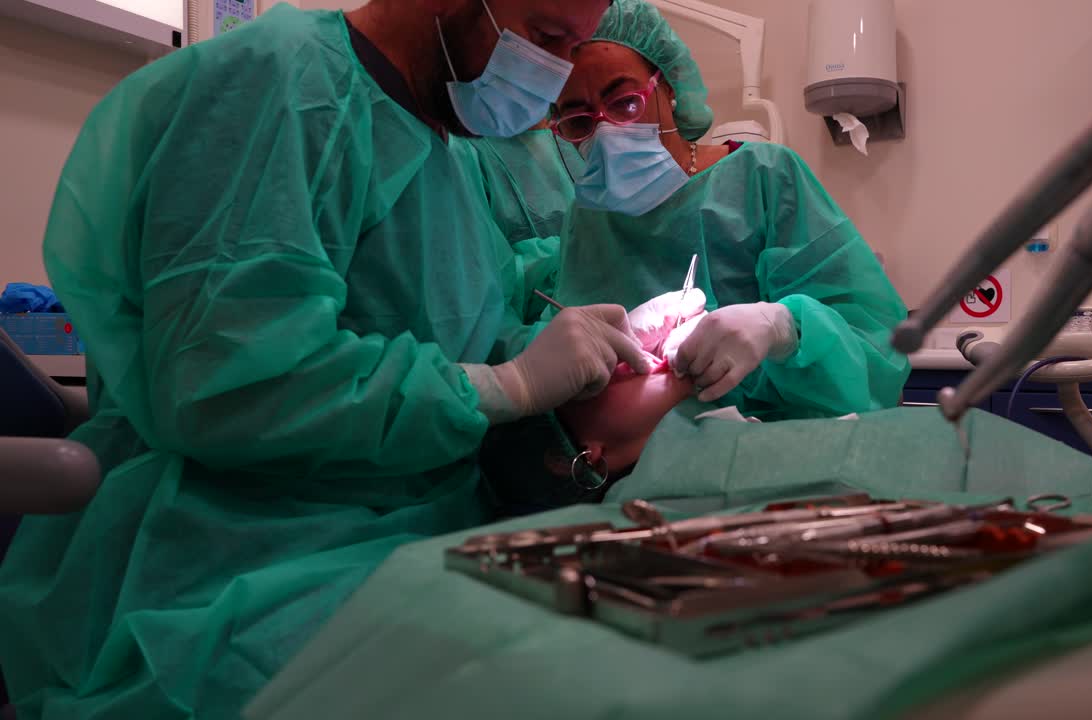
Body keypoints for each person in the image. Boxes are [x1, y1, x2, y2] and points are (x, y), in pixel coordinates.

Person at [0, 1, 645, 717]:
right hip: (233, 565)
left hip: (403, 530)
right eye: (547, 37)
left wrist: (555, 360)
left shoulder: (440, 144)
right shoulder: (281, 82)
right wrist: (505, 386)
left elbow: (452, 327)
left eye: (573, 47)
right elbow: (223, 383)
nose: (552, 75)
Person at [552, 0, 911, 421]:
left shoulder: (763, 177)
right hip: (640, 459)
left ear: (667, 88)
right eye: (579, 121)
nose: (606, 130)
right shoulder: (586, 221)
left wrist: (784, 329)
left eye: (625, 102)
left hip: (779, 450)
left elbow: (875, 356)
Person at [461, 124, 585, 322]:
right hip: (534, 324)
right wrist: (577, 252)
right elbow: (482, 280)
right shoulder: (466, 155)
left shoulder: (581, 132)